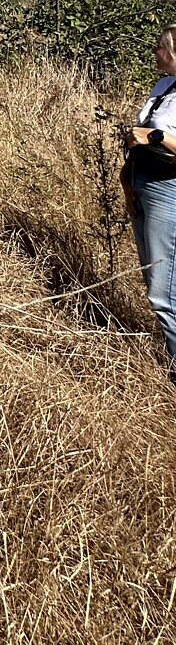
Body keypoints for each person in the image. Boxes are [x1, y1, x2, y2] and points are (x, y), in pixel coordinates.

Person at [123, 26, 176, 381]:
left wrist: (155, 136)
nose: (155, 51)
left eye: (160, 46)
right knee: (156, 280)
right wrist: (127, 181)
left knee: (163, 291)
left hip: (168, 188)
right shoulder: (163, 86)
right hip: (143, 183)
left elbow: (154, 136)